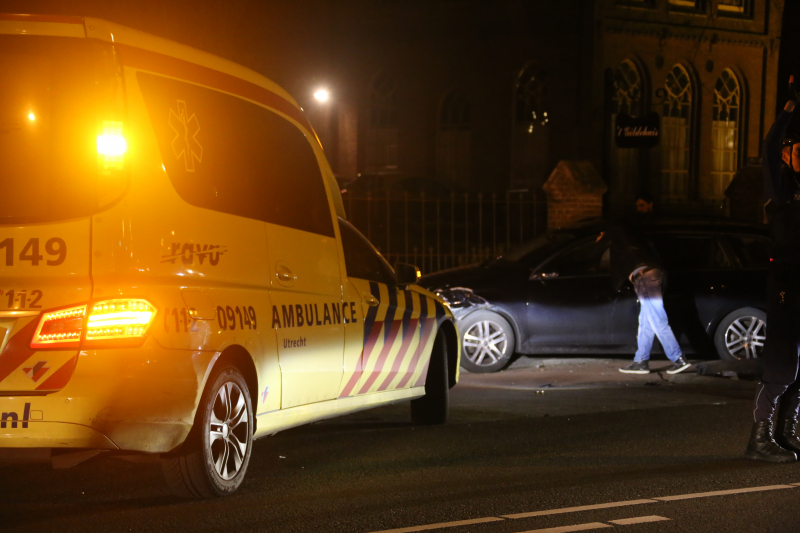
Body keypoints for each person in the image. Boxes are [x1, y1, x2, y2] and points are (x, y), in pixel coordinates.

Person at [745, 76, 800, 463]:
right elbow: (766, 149)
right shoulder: (780, 189)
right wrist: (787, 112)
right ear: (787, 153)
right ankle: (759, 439)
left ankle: (785, 429)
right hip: (785, 283)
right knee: (781, 362)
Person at [597, 224, 690, 375]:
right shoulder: (632, 234)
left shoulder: (616, 233)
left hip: (645, 278)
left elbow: (599, 248)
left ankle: (678, 358)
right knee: (646, 322)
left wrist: (602, 237)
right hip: (651, 275)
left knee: (657, 319)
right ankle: (641, 361)